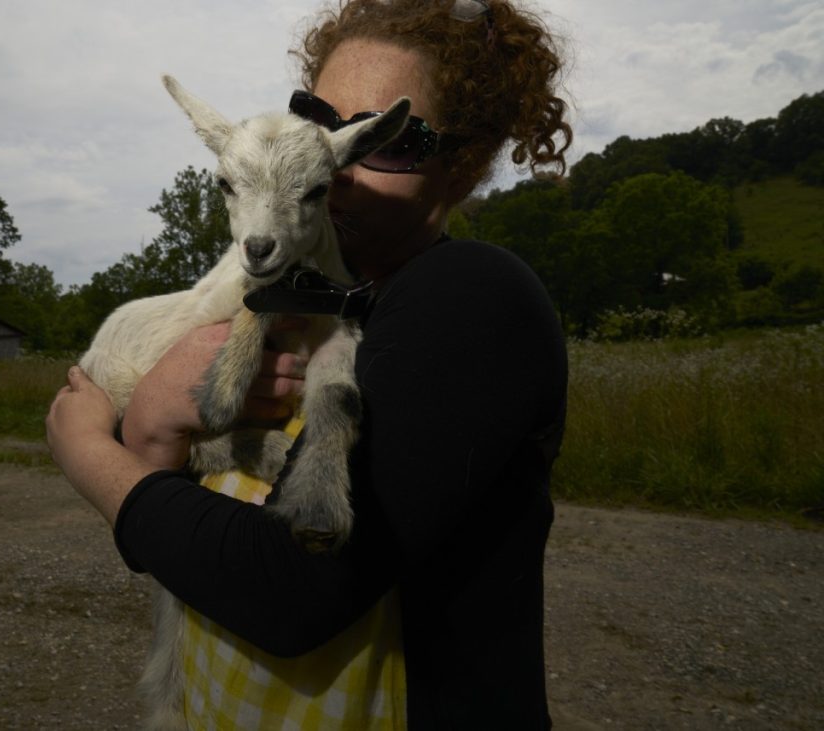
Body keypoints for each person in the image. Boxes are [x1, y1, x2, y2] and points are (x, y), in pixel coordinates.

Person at [46, 0, 572, 727]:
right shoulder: (302, 299)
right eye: (318, 118)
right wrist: (153, 428)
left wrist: (91, 457)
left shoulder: (471, 294)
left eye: (389, 138)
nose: (336, 159)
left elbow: (287, 588)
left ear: (464, 164)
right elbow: (194, 533)